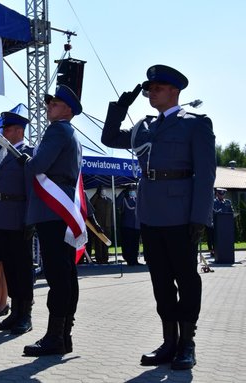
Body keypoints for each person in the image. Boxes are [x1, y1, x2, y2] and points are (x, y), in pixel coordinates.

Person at [101, 65, 216, 370]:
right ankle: (168, 342)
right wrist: (119, 108)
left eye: (158, 88)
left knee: (186, 280)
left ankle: (187, 343)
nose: (151, 93)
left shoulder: (195, 123)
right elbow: (110, 138)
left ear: (174, 91)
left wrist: (200, 217)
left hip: (181, 213)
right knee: (161, 281)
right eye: (149, 89)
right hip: (150, 212)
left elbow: (205, 174)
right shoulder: (145, 126)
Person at [19, 85, 83, 356]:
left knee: (58, 275)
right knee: (67, 273)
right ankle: (63, 334)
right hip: (64, 209)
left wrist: (26, 161)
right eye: (49, 103)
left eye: (55, 104)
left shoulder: (57, 130)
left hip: (51, 209)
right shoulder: (72, 134)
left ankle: (56, 337)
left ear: (68, 109)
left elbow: (38, 165)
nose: (49, 107)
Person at [0, 112, 34, 333]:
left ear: (19, 131)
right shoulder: (2, 154)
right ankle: (15, 312)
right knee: (10, 267)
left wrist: (31, 219)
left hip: (18, 217)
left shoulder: (28, 154)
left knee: (22, 268)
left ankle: (26, 315)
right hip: (0, 218)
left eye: (8, 129)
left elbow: (33, 189)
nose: (3, 133)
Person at [118, 185, 141, 266]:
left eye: (134, 190)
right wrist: (122, 193)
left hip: (136, 226)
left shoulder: (137, 200)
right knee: (128, 244)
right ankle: (129, 260)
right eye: (132, 190)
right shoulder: (124, 199)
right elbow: (117, 204)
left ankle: (135, 260)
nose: (133, 191)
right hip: (127, 226)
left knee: (135, 245)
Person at [89, 186, 113, 263]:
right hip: (99, 225)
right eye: (102, 190)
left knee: (106, 242)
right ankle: (99, 259)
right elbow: (90, 204)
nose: (104, 191)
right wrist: (96, 195)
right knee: (98, 243)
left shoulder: (109, 200)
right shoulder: (96, 200)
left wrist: (111, 223)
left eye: (105, 190)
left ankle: (105, 258)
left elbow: (111, 213)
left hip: (107, 224)